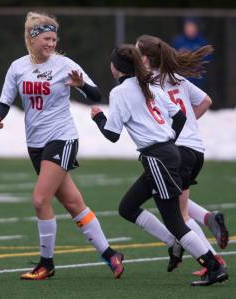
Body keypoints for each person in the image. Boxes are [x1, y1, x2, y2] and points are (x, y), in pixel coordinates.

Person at [0, 11, 124, 280]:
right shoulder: (18, 67)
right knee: (74, 204)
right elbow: (5, 99)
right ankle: (111, 254)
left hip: (62, 138)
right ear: (32, 38)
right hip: (36, 143)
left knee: (40, 199)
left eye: (54, 39)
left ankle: (46, 263)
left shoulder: (64, 65)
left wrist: (81, 84)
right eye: (46, 39)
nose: (51, 44)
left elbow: (97, 94)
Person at [91, 44, 228, 286]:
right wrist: (168, 143)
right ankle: (179, 245)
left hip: (158, 158)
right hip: (165, 155)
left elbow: (112, 134)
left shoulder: (121, 92)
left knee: (175, 220)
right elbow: (180, 117)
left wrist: (98, 118)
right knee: (127, 207)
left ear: (116, 68)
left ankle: (213, 266)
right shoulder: (148, 84)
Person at [135, 34, 228, 276]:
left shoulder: (148, 82)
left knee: (179, 214)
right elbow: (206, 101)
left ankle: (214, 262)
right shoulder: (175, 77)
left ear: (145, 58)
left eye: (136, 52)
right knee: (178, 203)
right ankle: (208, 220)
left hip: (176, 151)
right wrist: (188, 124)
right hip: (195, 149)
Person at [172, 18, 210, 88]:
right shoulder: (178, 41)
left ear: (196, 28)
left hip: (198, 77)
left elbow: (208, 58)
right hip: (182, 76)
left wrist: (194, 56)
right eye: (187, 27)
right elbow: (172, 57)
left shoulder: (202, 41)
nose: (190, 29)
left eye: (191, 27)